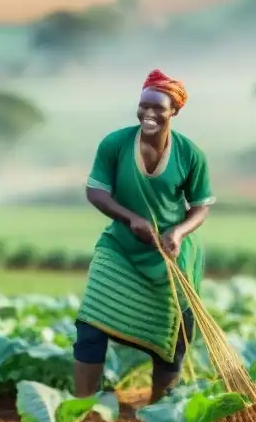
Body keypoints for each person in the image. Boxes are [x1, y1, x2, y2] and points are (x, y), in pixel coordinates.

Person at [73, 69, 215, 402]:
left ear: (174, 112)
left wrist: (178, 232)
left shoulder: (190, 155)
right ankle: (81, 406)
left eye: (158, 108)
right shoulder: (115, 144)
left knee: (174, 336)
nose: (148, 114)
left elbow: (200, 206)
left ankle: (159, 408)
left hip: (171, 254)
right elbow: (96, 191)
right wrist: (131, 219)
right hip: (121, 248)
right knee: (91, 325)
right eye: (143, 106)